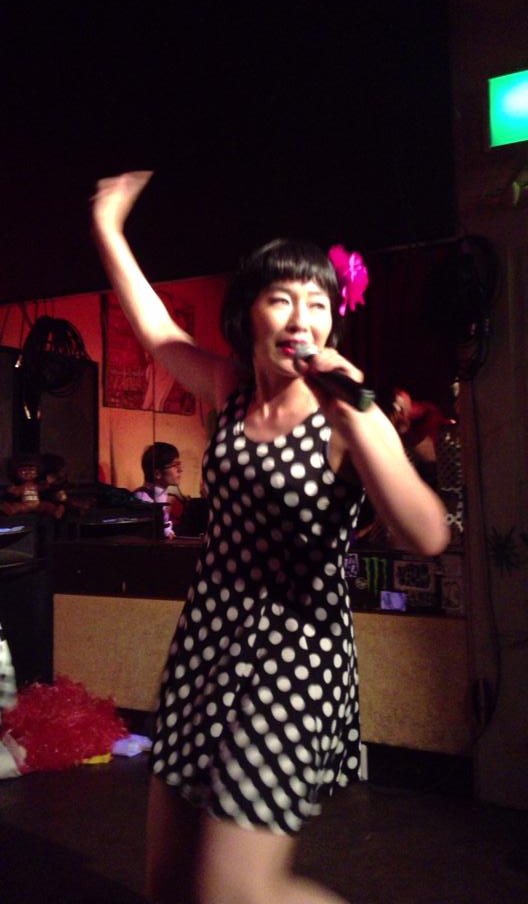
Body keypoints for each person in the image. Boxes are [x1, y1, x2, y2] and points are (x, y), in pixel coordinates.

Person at [92, 171, 449, 904]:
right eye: (281, 298)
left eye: (318, 303)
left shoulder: (348, 416)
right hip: (206, 642)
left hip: (296, 656)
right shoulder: (228, 390)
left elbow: (427, 534)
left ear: (332, 324)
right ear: (247, 313)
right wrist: (108, 228)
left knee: (234, 892)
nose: (301, 317)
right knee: (169, 884)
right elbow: (156, 331)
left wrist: (358, 414)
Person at [134, 442, 184, 540]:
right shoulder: (142, 499)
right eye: (175, 465)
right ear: (157, 474)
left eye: (179, 464)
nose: (180, 469)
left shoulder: (164, 496)